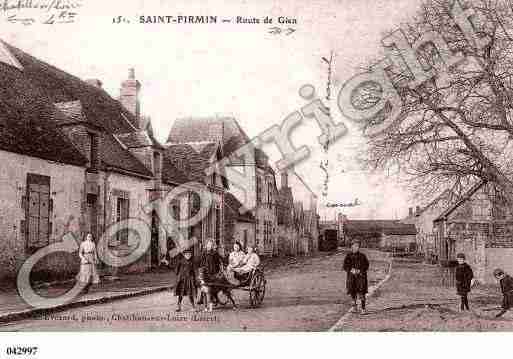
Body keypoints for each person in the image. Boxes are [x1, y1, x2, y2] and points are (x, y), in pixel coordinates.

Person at [343, 241, 369, 314]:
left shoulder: (362, 256)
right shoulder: (348, 256)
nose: (356, 247)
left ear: (359, 247)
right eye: (354, 246)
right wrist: (351, 270)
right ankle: (354, 307)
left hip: (361, 277)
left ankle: (363, 309)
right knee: (352, 292)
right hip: (351, 277)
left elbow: (366, 265)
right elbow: (345, 266)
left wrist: (360, 270)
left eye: (357, 246)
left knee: (362, 292)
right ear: (351, 247)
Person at [198, 239, 223, 312]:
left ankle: (212, 301)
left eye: (211, 244)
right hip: (206, 271)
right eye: (208, 244)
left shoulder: (215, 253)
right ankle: (203, 300)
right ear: (206, 245)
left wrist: (218, 271)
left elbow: (218, 262)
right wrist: (202, 270)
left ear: (213, 246)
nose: (210, 246)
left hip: (213, 271)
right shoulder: (204, 252)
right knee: (204, 285)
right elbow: (202, 262)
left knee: (211, 287)